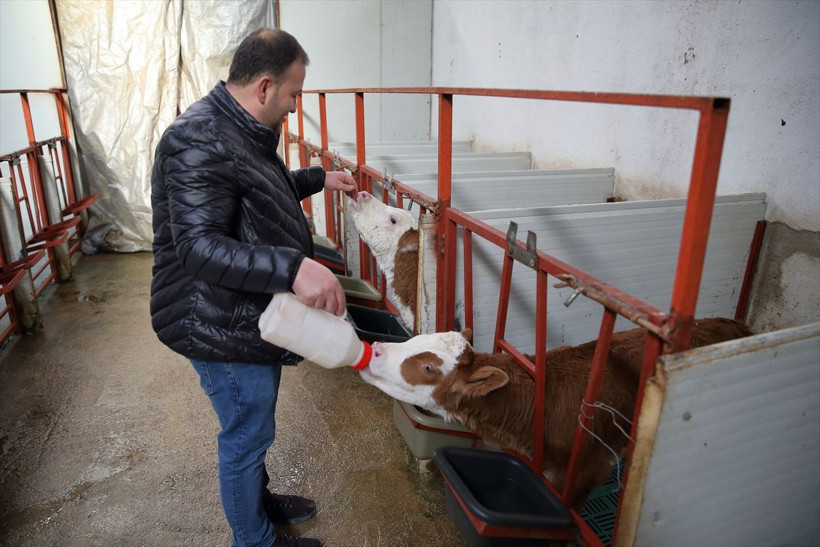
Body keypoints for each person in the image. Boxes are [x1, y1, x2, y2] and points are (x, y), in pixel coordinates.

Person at [150, 28, 356, 547]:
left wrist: (315, 179)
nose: (294, 105)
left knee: (254, 423)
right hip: (214, 319)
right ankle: (254, 538)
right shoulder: (196, 138)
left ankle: (258, 504)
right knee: (245, 433)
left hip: (242, 312)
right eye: (293, 93)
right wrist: (294, 268)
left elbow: (257, 189)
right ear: (265, 86)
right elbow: (198, 248)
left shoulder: (238, 126)